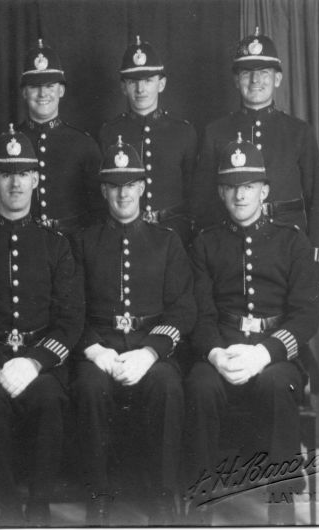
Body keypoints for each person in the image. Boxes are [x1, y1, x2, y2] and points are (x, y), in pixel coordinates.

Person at [0, 124, 84, 526]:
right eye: (6, 174)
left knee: (49, 400)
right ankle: (8, 506)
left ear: (36, 180)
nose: (15, 184)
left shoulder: (56, 243)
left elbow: (70, 319)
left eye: (23, 174)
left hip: (39, 360)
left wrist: (34, 362)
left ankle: (39, 506)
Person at [184, 135, 319, 525]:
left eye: (248, 187)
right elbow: (201, 313)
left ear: (264, 190)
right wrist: (214, 353)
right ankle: (201, 500)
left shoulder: (293, 241)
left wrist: (264, 353)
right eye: (230, 187)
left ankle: (281, 501)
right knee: (199, 384)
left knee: (276, 383)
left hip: (275, 351)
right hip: (223, 347)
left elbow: (306, 315)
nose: (240, 196)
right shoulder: (206, 244)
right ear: (221, 193)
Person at [69, 136, 195, 525]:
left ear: (142, 187)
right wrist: (96, 350)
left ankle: (162, 493)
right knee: (89, 387)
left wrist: (150, 352)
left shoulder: (167, 241)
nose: (123, 194)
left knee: (168, 387)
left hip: (149, 348)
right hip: (101, 346)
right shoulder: (83, 241)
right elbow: (72, 309)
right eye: (115, 186)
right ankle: (99, 494)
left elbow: (183, 309)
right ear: (105, 190)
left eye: (131, 185)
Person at [193, 27, 319, 291]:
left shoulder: (298, 131)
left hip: (289, 249)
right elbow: (203, 203)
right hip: (232, 250)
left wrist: (318, 265)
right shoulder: (216, 132)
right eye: (246, 72)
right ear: (236, 80)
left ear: (278, 78)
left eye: (264, 73)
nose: (255, 80)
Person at [98, 36, 197, 244]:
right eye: (133, 82)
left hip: (175, 233)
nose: (141, 90)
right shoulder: (109, 133)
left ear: (161, 84)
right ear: (123, 87)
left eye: (148, 81)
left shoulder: (183, 132)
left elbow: (194, 193)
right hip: (124, 235)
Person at [17, 39, 103, 236]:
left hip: (72, 242)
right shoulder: (10, 142)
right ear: (24, 92)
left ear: (61, 90)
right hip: (26, 241)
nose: (42, 94)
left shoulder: (83, 144)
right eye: (34, 86)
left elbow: (98, 210)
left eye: (49, 86)